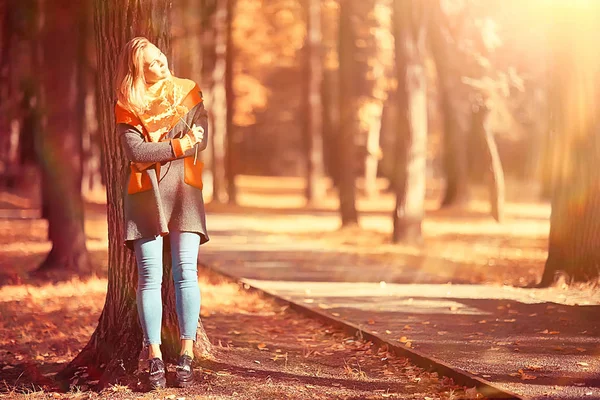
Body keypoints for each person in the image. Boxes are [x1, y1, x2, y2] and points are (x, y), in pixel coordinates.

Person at [114, 36, 209, 389]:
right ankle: (153, 355)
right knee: (149, 275)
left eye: (160, 57)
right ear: (138, 72)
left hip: (185, 190)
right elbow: (134, 150)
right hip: (145, 192)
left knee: (186, 271)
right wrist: (180, 144)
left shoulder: (188, 91)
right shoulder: (128, 103)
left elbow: (204, 138)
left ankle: (186, 353)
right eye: (150, 64)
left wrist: (174, 147)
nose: (160, 65)